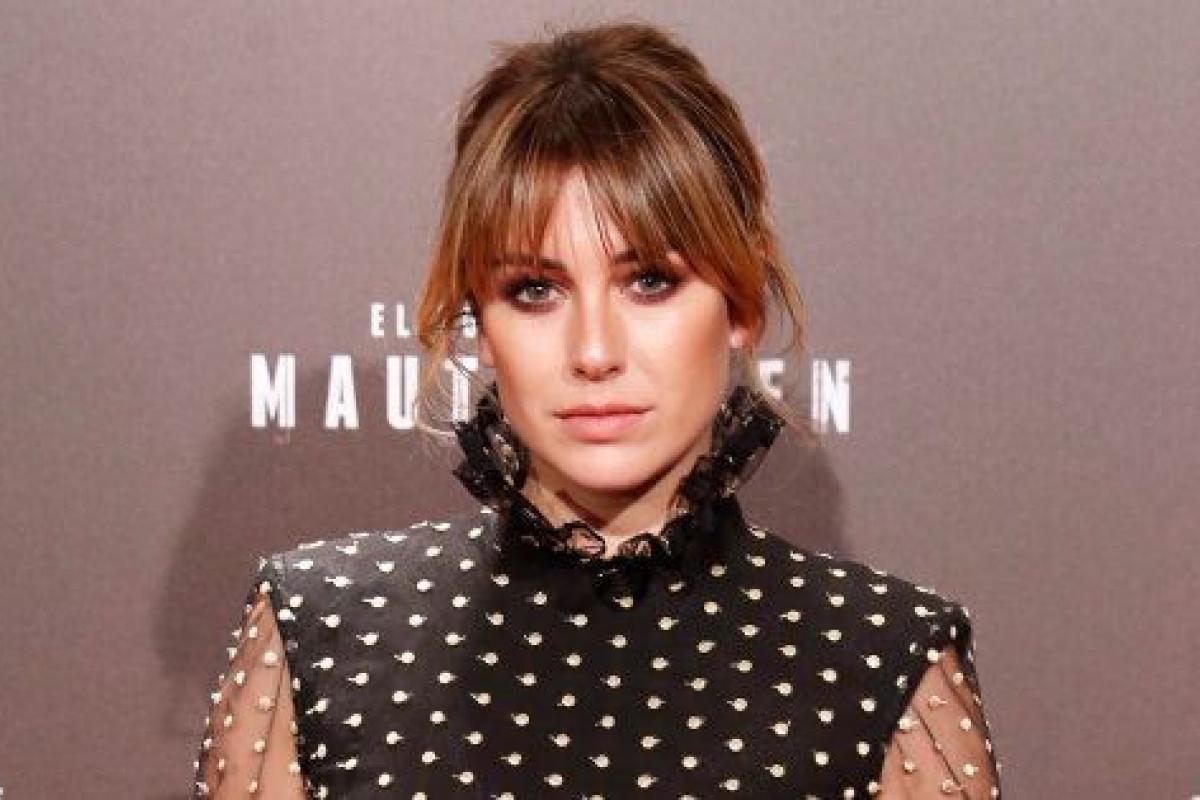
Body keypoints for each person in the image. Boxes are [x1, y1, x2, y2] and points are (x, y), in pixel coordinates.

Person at [192, 20, 1002, 799]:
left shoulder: (883, 664)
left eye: (650, 281)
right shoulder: (323, 635)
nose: (593, 350)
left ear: (742, 301)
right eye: (534, 290)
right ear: (480, 320)